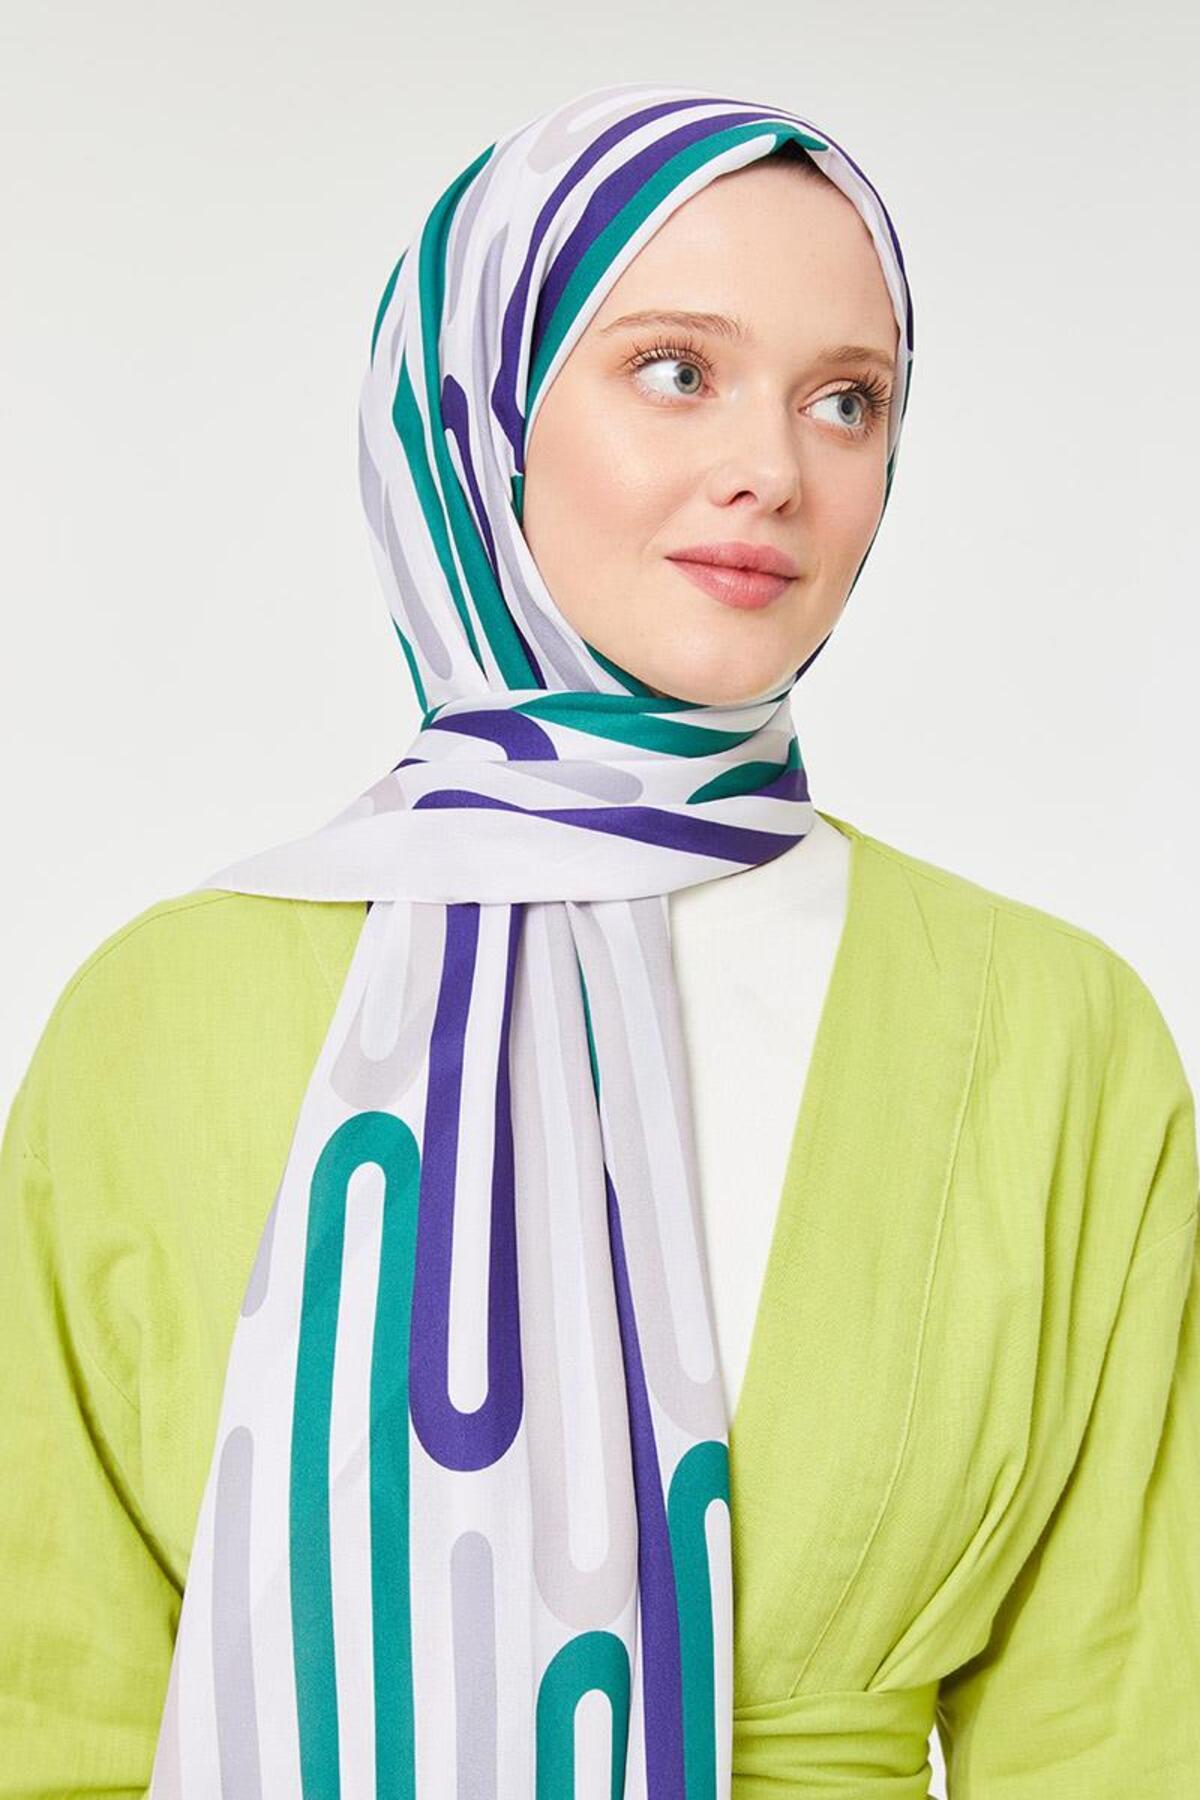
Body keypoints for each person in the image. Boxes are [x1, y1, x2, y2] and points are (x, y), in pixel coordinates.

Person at [0, 80, 1195, 1799]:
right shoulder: (157, 1020)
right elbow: (48, 1721)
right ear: (481, 417)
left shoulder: (1051, 1037)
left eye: (847, 400)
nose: (771, 469)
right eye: (675, 369)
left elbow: (1119, 1740)